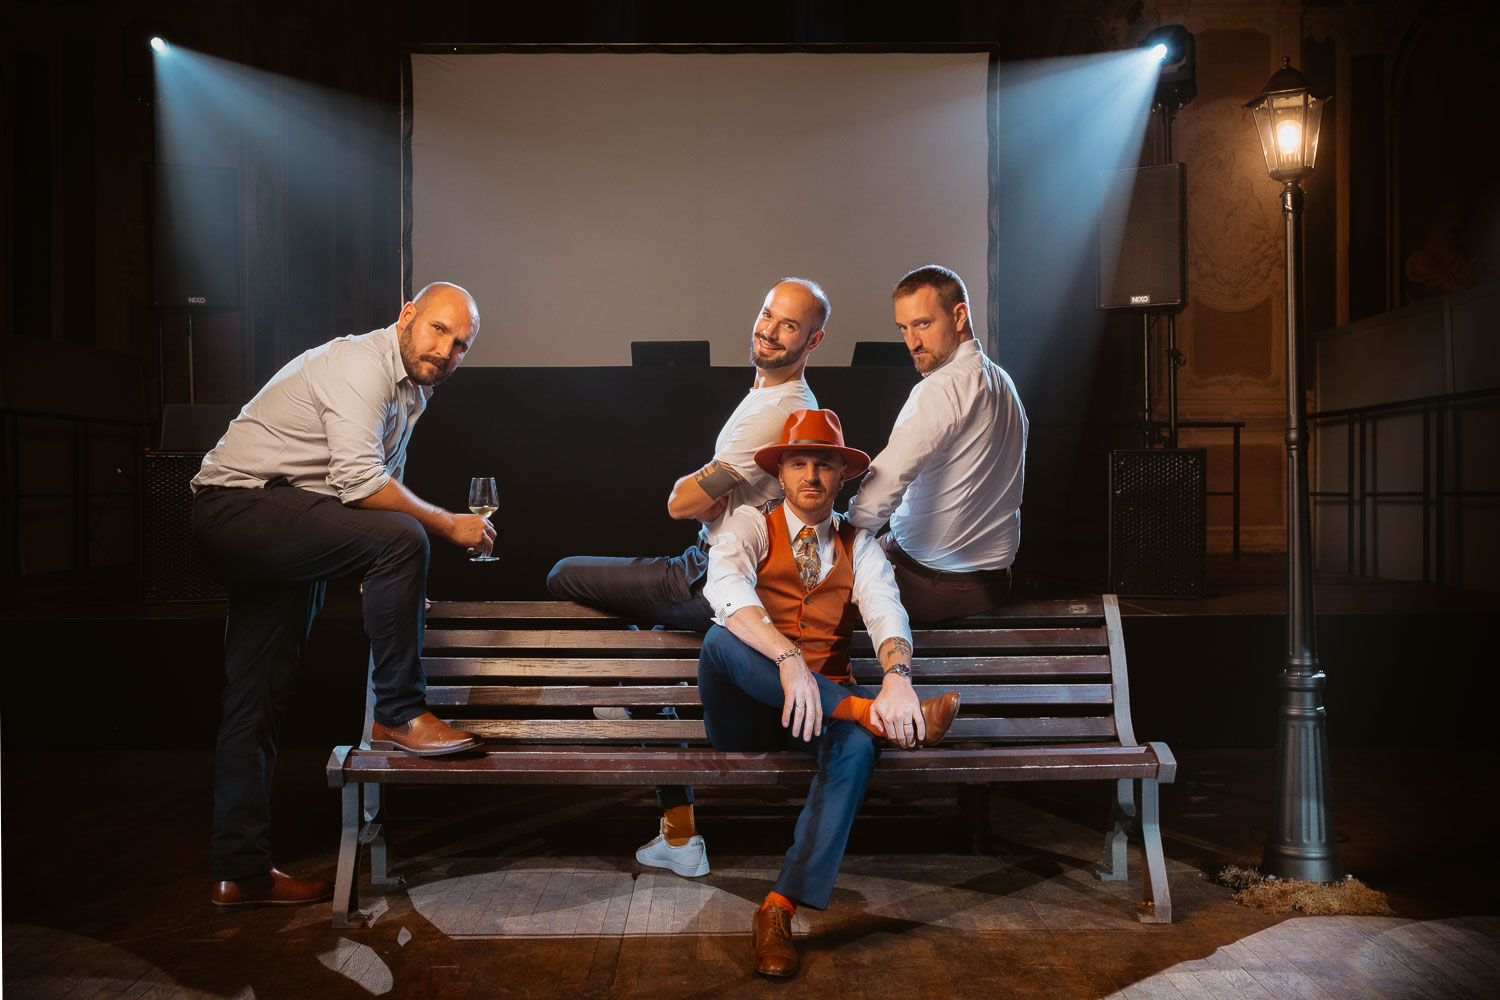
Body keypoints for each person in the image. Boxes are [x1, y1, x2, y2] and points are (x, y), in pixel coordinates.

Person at [191, 281, 494, 911]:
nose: (446, 350)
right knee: (407, 537)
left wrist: (398, 591)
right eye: (438, 330)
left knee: (255, 697)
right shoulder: (362, 365)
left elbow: (379, 486)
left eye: (460, 344)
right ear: (406, 316)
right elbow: (361, 486)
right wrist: (444, 526)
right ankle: (401, 713)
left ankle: (238, 870)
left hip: (280, 521)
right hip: (241, 509)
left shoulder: (414, 388)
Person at [546, 278, 827, 878]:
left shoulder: (777, 412)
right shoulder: (766, 399)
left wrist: (699, 494)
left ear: (813, 340)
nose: (768, 329)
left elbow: (680, 502)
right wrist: (709, 496)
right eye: (766, 314)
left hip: (709, 581)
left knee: (565, 574)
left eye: (788, 325)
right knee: (646, 654)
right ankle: (678, 831)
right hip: (719, 567)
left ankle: (643, 741)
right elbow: (707, 499)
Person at [698, 408, 961, 978]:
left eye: (824, 464)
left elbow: (886, 611)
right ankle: (871, 715)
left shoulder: (859, 544)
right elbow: (725, 591)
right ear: (782, 473)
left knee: (859, 748)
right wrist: (787, 659)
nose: (811, 476)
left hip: (819, 714)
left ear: (842, 477)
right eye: (799, 463)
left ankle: (779, 908)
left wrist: (897, 678)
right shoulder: (747, 524)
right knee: (720, 640)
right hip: (746, 712)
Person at [847, 265, 1029, 624]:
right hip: (993, 582)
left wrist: (837, 541)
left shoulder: (941, 388)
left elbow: (882, 489)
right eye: (904, 328)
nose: (912, 342)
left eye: (924, 324)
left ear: (959, 315)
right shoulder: (1003, 381)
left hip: (933, 587)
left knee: (801, 586)